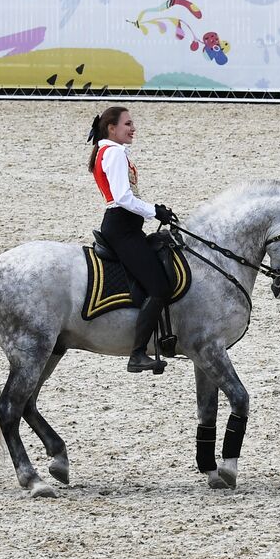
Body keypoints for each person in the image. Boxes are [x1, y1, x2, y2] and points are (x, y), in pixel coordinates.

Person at [87, 106, 179, 374]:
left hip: (125, 226)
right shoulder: (114, 153)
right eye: (127, 124)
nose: (133, 128)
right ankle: (137, 353)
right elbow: (123, 198)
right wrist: (154, 211)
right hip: (122, 227)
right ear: (111, 128)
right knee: (160, 287)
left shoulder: (108, 151)